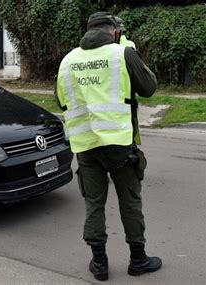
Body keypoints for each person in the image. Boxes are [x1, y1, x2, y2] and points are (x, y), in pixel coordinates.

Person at [56, 12, 162, 281]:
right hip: (118, 144)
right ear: (114, 31)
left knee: (94, 203)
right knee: (129, 200)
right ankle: (138, 260)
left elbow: (60, 101)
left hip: (86, 144)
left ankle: (100, 264)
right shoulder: (122, 54)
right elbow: (149, 87)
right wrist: (134, 57)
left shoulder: (68, 61)